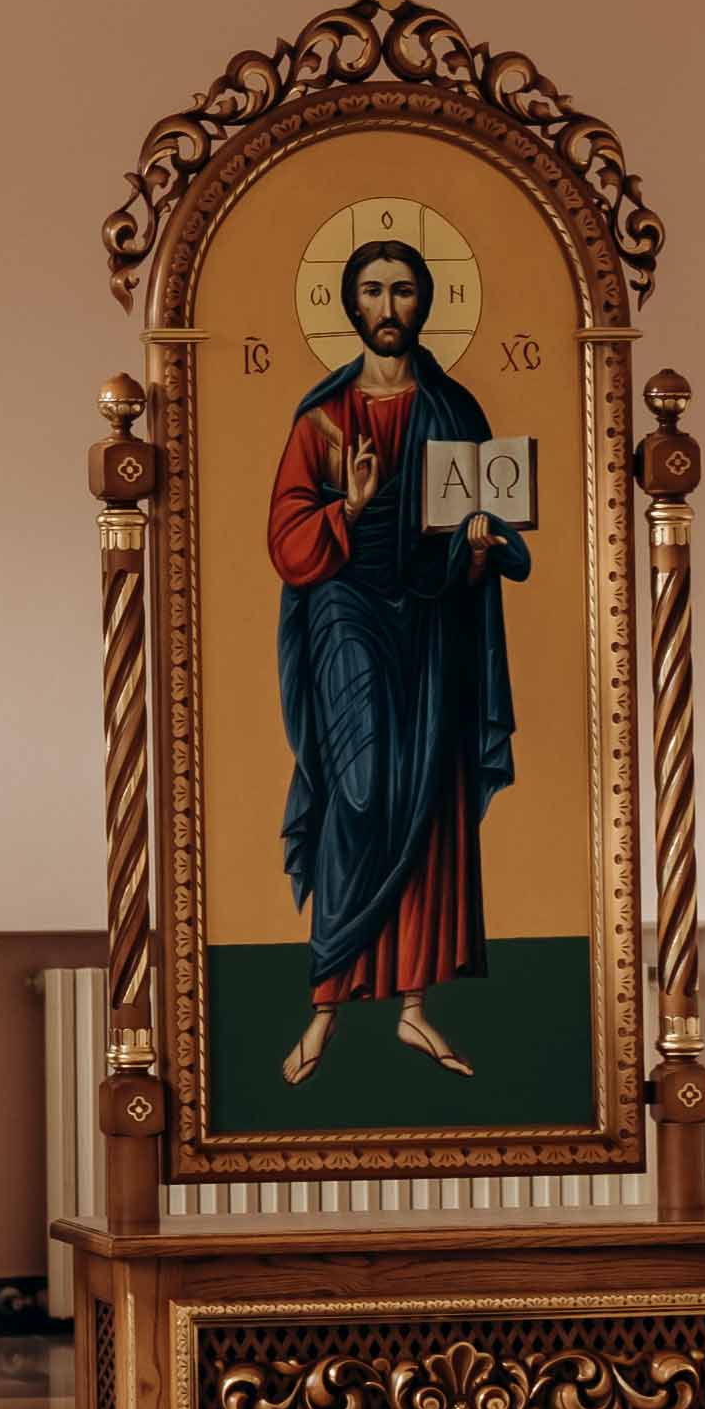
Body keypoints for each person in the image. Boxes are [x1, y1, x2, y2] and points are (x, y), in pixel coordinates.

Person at [265, 236, 526, 1083]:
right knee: (360, 787)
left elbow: (473, 532)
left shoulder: (456, 411)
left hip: (432, 616)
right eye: (372, 291)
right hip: (345, 607)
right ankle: (326, 1004)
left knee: (427, 796)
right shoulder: (323, 418)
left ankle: (413, 1007)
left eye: (403, 291)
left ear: (425, 303)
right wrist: (349, 507)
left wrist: (477, 551)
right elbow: (287, 541)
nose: (387, 307)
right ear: (349, 304)